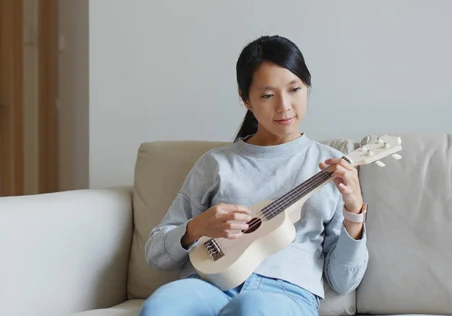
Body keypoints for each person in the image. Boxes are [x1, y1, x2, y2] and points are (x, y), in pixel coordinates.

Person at [138, 35, 369, 316]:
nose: (284, 106)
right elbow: (155, 255)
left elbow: (343, 281)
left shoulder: (331, 166)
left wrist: (354, 211)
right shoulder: (216, 164)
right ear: (245, 99)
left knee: (251, 308)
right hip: (206, 285)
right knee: (163, 306)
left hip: (285, 292)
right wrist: (197, 227)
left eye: (294, 89)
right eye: (267, 95)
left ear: (307, 87)